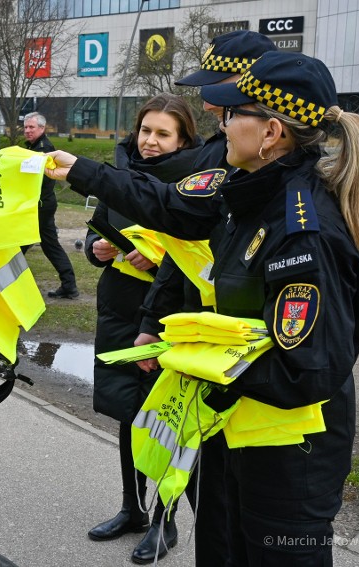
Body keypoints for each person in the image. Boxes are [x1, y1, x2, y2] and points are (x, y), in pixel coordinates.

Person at [47, 50, 359, 566]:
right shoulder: (247, 191)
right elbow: (169, 205)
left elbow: (306, 370)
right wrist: (81, 171)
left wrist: (191, 356)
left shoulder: (303, 232)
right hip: (236, 431)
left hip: (289, 460)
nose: (221, 125)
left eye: (232, 114)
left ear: (271, 133)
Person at [130, 30, 277, 566]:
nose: (210, 101)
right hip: (210, 340)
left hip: (250, 364)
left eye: (218, 90)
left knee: (247, 515)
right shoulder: (227, 148)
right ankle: (156, 518)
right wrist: (154, 319)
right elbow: (183, 248)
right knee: (212, 497)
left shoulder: (263, 172)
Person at [84, 93, 201, 565]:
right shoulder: (121, 174)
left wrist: (156, 263)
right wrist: (97, 248)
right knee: (126, 412)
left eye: (163, 134)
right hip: (118, 311)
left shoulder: (195, 184)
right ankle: (132, 508)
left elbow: (197, 256)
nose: (150, 142)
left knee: (165, 421)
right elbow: (100, 229)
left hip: (168, 318)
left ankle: (164, 519)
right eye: (146, 131)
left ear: (184, 140)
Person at [21, 112, 79, 299]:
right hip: (40, 204)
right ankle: (69, 286)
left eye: (32, 127)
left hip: (40, 206)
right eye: (26, 127)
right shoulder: (35, 146)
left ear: (42, 128)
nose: (27, 131)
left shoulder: (43, 149)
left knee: (19, 245)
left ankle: (6, 283)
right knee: (49, 245)